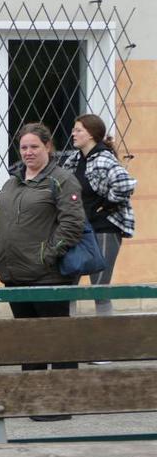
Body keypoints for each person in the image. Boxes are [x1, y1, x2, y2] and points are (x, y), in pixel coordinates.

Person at [0, 123, 85, 420]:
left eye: (34, 146)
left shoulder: (62, 180)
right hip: (14, 274)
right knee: (28, 339)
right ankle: (33, 400)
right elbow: (0, 222)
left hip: (48, 275)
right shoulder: (13, 181)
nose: (28, 152)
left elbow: (72, 224)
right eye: (24, 147)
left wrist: (47, 255)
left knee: (55, 339)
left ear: (48, 147)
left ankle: (60, 404)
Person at [60, 114, 136, 315]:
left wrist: (107, 205)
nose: (73, 133)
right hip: (78, 228)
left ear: (91, 134)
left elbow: (125, 184)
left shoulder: (104, 159)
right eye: (74, 129)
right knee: (68, 284)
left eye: (78, 130)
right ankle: (66, 330)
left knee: (100, 288)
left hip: (104, 229)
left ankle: (106, 331)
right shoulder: (74, 159)